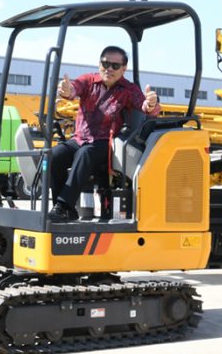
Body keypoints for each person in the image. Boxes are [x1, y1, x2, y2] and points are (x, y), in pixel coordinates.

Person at [47, 45, 160, 223]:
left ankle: (63, 206)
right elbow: (74, 89)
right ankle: (62, 209)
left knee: (85, 153)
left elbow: (144, 106)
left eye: (115, 66)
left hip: (105, 143)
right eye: (105, 64)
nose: (109, 69)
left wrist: (151, 105)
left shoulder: (129, 90)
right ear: (99, 64)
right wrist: (67, 90)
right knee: (54, 155)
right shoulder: (88, 81)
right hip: (80, 138)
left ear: (124, 68)